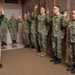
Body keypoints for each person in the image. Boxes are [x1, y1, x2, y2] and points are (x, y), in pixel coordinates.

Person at [66, 10, 75, 74]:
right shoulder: (71, 22)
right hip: (71, 40)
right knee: (71, 54)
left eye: (74, 14)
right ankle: (73, 65)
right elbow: (67, 27)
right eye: (72, 13)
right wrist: (66, 20)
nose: (73, 15)